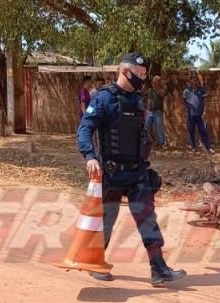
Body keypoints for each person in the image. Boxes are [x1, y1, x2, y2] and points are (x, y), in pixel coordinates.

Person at [77, 52, 187, 286]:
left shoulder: (139, 99)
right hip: (112, 172)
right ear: (124, 71)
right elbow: (85, 128)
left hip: (137, 172)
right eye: (139, 74)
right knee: (106, 221)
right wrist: (89, 156)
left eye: (144, 74)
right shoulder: (103, 99)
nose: (142, 78)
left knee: (148, 219)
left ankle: (159, 269)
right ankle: (96, 264)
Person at [182, 75, 214, 154]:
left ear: (197, 81)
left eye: (195, 80)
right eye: (192, 80)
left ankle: (208, 147)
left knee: (203, 131)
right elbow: (183, 101)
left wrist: (205, 111)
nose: (194, 82)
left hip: (200, 115)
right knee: (191, 131)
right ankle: (193, 147)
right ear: (189, 82)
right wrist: (186, 110)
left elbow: (205, 101)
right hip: (190, 115)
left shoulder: (201, 90)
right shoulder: (186, 91)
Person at [145, 75, 168, 148]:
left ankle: (162, 143)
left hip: (158, 112)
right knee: (147, 127)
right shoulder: (149, 90)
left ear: (158, 82)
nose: (153, 83)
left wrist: (157, 87)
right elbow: (145, 97)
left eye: (155, 81)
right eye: (153, 81)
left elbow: (162, 95)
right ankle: (149, 141)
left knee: (159, 127)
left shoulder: (161, 89)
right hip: (149, 112)